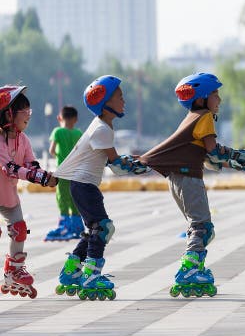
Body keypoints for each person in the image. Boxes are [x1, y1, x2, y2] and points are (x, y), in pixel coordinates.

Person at [139, 72, 245, 298]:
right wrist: (240, 156)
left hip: (179, 179)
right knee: (202, 227)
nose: (219, 99)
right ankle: (189, 270)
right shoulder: (203, 117)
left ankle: (195, 267)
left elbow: (209, 158)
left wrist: (242, 163)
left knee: (199, 227)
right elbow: (213, 151)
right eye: (215, 94)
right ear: (202, 97)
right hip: (189, 179)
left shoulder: (192, 117)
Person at [54, 75, 150, 300]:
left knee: (93, 230)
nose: (124, 101)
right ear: (105, 102)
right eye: (120, 97)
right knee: (104, 228)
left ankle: (71, 270)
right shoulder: (103, 129)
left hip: (82, 185)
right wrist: (144, 165)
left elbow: (110, 158)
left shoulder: (102, 126)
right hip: (85, 186)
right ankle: (91, 275)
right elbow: (116, 166)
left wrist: (133, 161)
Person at [0, 85, 58, 299]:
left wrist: (47, 177)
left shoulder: (23, 140)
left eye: (29, 111)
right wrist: (41, 178)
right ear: (8, 114)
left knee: (19, 229)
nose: (29, 116)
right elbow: (10, 169)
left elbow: (31, 166)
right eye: (24, 112)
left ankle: (13, 271)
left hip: (8, 198)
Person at [46, 105, 83, 241]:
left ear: (59, 118)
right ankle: (78, 227)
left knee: (62, 197)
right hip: (76, 171)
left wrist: (58, 156)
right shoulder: (78, 133)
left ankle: (64, 226)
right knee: (75, 198)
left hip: (62, 170)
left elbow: (51, 150)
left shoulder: (57, 131)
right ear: (76, 119)